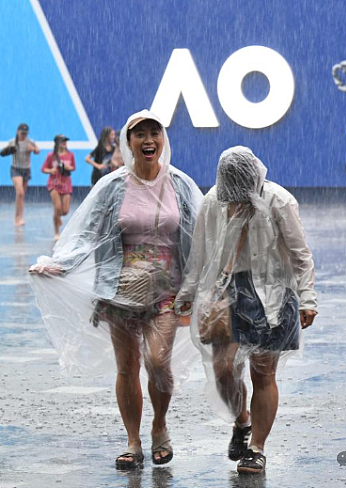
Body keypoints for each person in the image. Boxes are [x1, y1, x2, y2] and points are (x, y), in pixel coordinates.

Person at [29, 110, 203, 470]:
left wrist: (214, 277)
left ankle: (159, 426)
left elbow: (201, 235)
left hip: (167, 291)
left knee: (158, 363)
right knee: (127, 366)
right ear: (129, 142)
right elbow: (89, 233)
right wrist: (58, 264)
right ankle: (133, 441)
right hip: (118, 289)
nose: (148, 140)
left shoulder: (180, 184)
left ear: (163, 139)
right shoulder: (112, 186)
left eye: (155, 133)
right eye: (140, 134)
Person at [176, 146, 318, 475]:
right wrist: (188, 293)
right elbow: (200, 251)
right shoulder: (213, 201)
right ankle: (242, 421)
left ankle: (257, 449)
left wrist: (308, 297)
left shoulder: (278, 201)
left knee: (263, 373)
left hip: (274, 292)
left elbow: (300, 253)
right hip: (227, 293)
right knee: (224, 369)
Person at [1, 123, 40, 226]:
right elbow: (2, 153)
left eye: (25, 133)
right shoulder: (12, 142)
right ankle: (19, 218)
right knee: (20, 193)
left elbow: (37, 151)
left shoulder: (30, 142)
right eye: (22, 133)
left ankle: (18, 217)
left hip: (26, 170)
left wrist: (33, 149)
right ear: (18, 132)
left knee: (20, 196)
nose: (23, 135)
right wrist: (9, 150)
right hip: (15, 169)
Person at [42, 135, 75, 240]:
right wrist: (50, 170)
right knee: (57, 208)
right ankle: (56, 232)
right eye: (62, 141)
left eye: (65, 141)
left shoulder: (70, 155)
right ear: (57, 143)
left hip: (66, 183)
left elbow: (73, 167)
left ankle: (58, 216)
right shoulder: (51, 156)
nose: (64, 143)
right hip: (54, 183)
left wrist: (68, 167)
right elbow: (44, 169)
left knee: (65, 211)